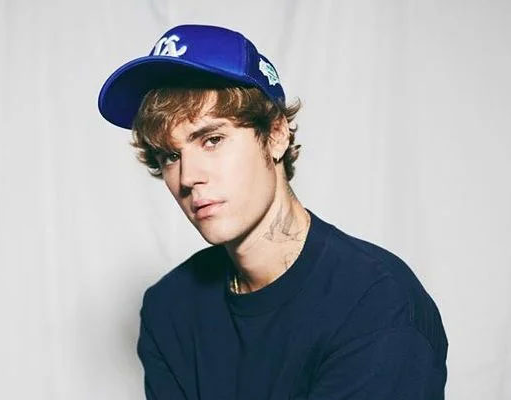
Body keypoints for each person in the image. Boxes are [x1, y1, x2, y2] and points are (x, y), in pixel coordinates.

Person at [98, 24, 448, 400]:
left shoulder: (374, 302)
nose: (188, 177)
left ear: (276, 134)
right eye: (170, 155)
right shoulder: (170, 307)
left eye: (212, 140)